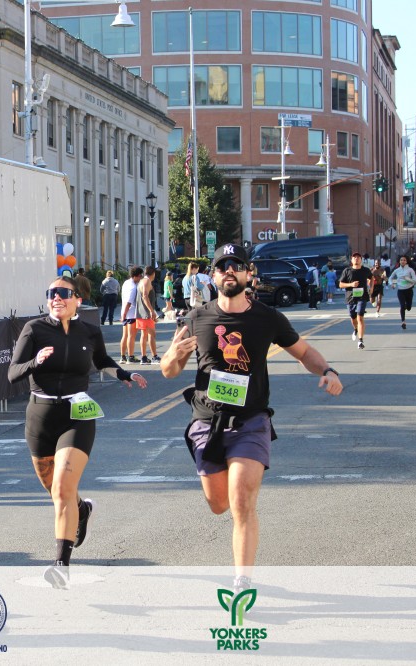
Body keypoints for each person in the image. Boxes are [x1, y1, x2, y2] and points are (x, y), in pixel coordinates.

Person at [159, 244, 342, 593]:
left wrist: (327, 370)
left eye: (237, 265)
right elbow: (169, 371)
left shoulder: (267, 318)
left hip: (251, 421)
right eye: (222, 266)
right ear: (213, 276)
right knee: (219, 505)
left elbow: (303, 352)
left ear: (248, 273)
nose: (229, 271)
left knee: (242, 501)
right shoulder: (196, 318)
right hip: (207, 421)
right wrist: (172, 356)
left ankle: (242, 583)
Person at [8, 276, 147, 589]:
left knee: (62, 489)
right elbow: (12, 372)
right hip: (41, 416)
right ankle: (81, 510)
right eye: (51, 293)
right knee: (54, 488)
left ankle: (61, 566)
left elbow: (102, 360)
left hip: (77, 415)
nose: (56, 298)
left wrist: (124, 374)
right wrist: (35, 361)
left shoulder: (89, 331)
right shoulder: (34, 329)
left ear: (77, 301)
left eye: (63, 293)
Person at [339, 253, 372, 350]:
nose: (356, 259)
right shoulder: (347, 271)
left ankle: (360, 341)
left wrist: (371, 288)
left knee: (360, 317)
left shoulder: (365, 270)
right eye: (354, 257)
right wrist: (351, 285)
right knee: (353, 318)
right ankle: (355, 329)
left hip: (362, 297)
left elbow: (371, 278)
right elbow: (340, 284)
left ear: (361, 259)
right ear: (351, 260)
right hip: (350, 298)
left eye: (358, 257)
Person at [135, 266, 160, 365]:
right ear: (153, 273)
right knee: (151, 334)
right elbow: (145, 296)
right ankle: (154, 356)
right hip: (146, 313)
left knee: (144, 335)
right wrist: (151, 311)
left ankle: (144, 357)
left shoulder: (141, 281)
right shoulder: (147, 281)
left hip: (141, 313)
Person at [119, 267, 143, 363]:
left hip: (125, 312)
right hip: (131, 313)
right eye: (140, 276)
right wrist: (125, 314)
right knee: (131, 336)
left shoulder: (126, 283)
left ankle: (123, 356)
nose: (141, 278)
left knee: (125, 335)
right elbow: (129, 302)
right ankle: (131, 356)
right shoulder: (133, 287)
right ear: (135, 276)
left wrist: (123, 314)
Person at [388, 255, 416, 330]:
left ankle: (407, 306)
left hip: (409, 290)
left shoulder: (410, 270)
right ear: (399, 261)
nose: (402, 261)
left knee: (409, 307)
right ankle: (403, 322)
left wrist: (407, 279)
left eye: (404, 260)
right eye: (401, 260)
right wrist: (392, 284)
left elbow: (415, 281)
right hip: (400, 290)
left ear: (406, 261)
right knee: (402, 306)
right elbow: (390, 278)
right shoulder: (397, 270)